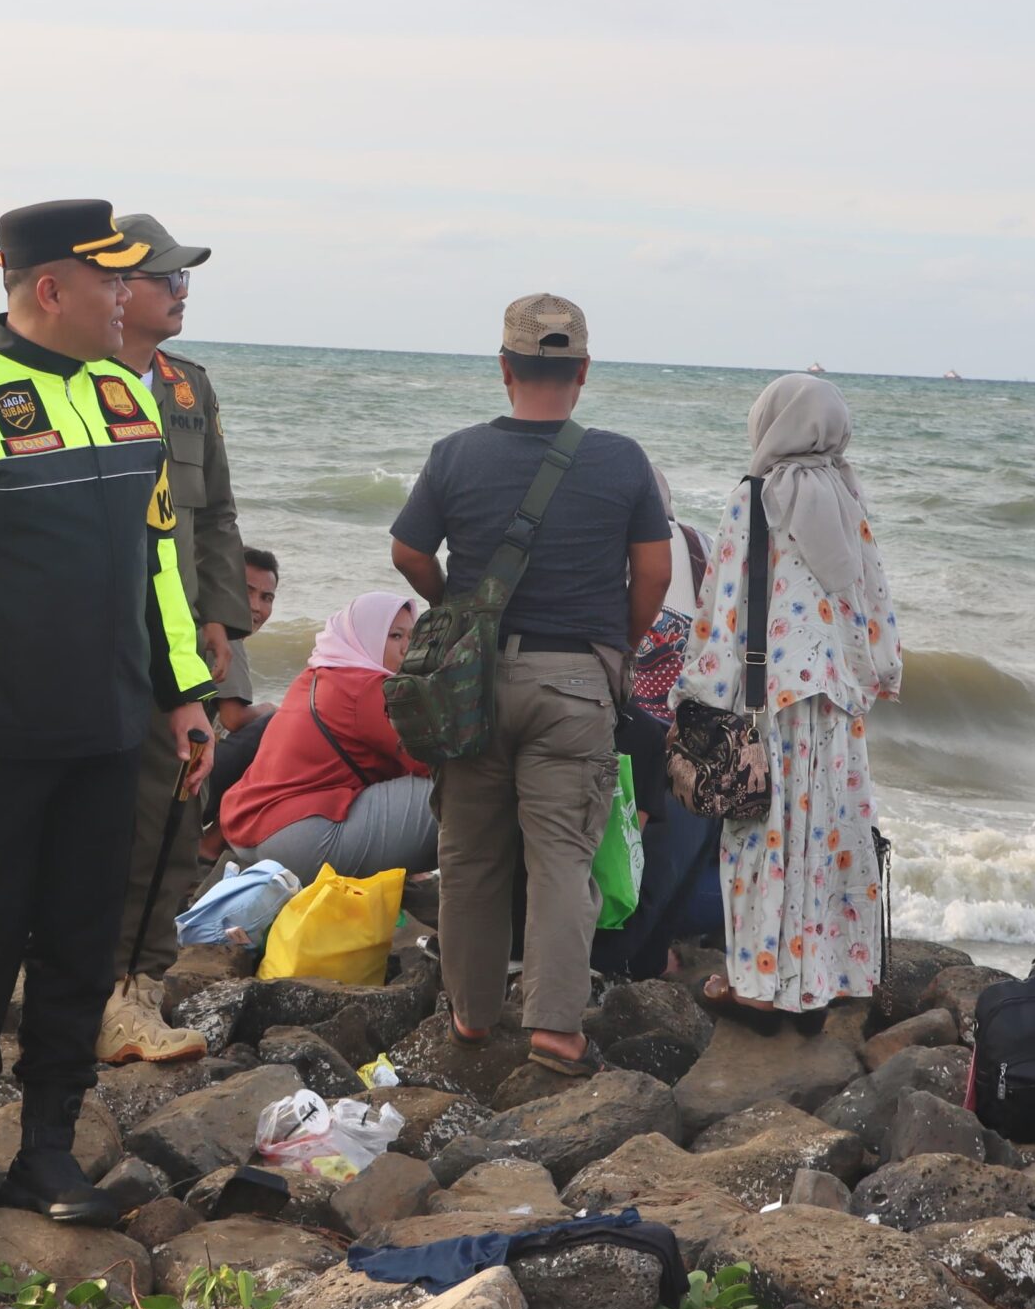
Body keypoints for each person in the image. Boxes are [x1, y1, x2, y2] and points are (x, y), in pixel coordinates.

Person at [0, 200, 215, 1254]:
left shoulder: (127, 399)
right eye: (109, 282)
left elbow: (155, 569)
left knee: (77, 947)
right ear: (48, 287)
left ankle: (48, 1149)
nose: (126, 298)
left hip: (106, 734)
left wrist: (183, 692)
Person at [391, 294, 669, 1076]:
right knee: (561, 859)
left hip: (473, 683)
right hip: (576, 679)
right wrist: (619, 642)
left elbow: (407, 553)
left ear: (505, 369)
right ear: (582, 372)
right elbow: (655, 570)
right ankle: (554, 1028)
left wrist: (456, 604)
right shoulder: (620, 459)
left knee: (471, 854)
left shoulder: (455, 454)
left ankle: (472, 1018)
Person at [674, 378, 901, 1011]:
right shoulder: (847, 496)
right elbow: (872, 596)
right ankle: (828, 978)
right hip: (834, 704)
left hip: (765, 703)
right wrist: (881, 670)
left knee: (760, 840)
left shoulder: (754, 498)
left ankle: (758, 986)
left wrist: (695, 693)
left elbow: (722, 605)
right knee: (828, 835)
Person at [99, 212, 247, 1066]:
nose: (180, 291)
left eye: (184, 277)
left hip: (179, 644)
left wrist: (220, 615)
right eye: (167, 277)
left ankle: (133, 992)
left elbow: (217, 513)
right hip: (88, 640)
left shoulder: (188, 389)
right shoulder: (72, 384)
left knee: (170, 813)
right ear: (117, 288)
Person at [221, 592, 435, 882]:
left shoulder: (320, 673)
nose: (407, 648)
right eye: (395, 636)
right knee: (465, 789)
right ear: (365, 636)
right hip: (300, 841)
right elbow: (432, 760)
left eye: (412, 637)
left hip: (250, 834)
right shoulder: (367, 688)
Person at [215, 547, 281, 735]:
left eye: (266, 598)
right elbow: (233, 718)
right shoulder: (226, 636)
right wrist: (270, 709)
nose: (255, 606)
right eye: (246, 591)